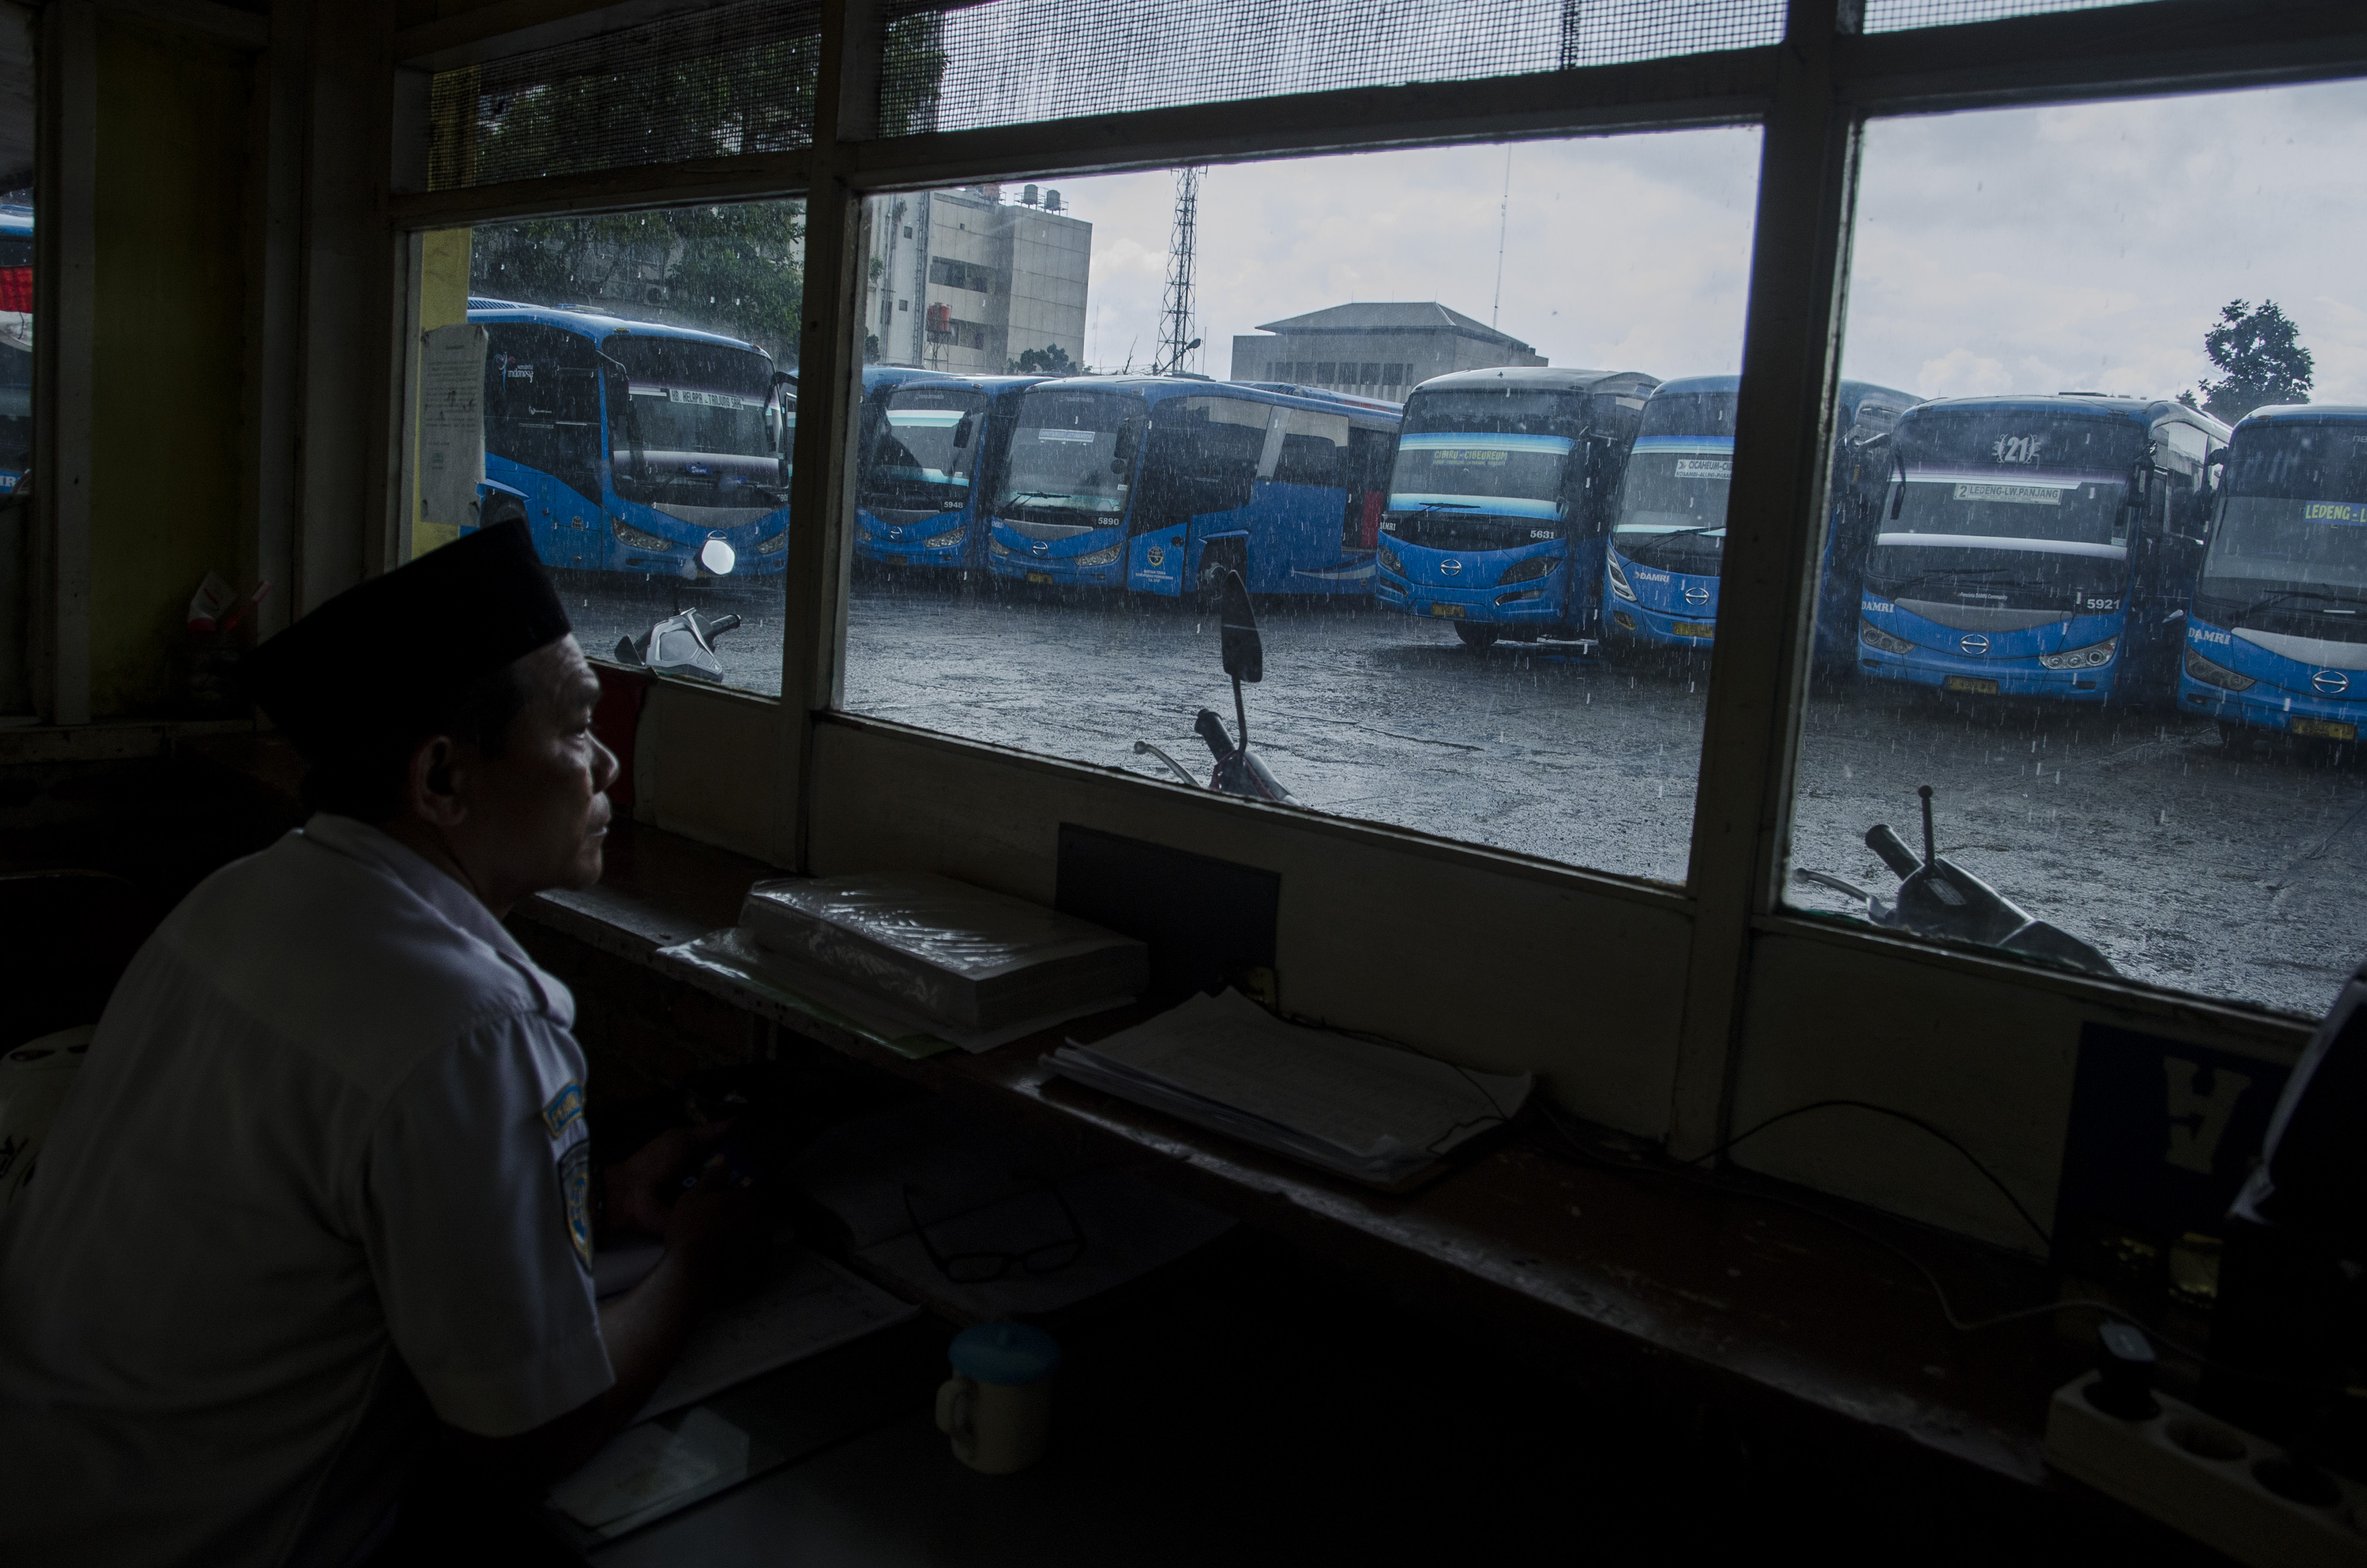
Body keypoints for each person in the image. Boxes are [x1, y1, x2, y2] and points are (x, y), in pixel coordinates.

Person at [0, 521, 766, 1565]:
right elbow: (524, 1430)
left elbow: (314, 1197)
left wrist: (583, 1195)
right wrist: (696, 1263)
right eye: (578, 725)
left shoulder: (241, 898)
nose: (607, 760)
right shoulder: (473, 1028)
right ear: (444, 778)